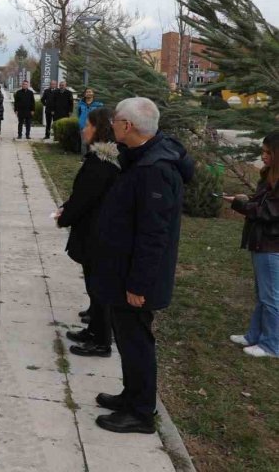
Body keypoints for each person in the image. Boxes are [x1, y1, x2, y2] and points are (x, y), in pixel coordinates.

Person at [91, 97, 193, 434]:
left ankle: (140, 412)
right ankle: (131, 395)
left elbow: (153, 235)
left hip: (136, 279)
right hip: (125, 271)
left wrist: (138, 285)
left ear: (127, 126)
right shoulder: (144, 157)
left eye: (117, 120)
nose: (113, 124)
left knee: (137, 342)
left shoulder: (155, 169)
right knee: (128, 338)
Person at [56, 107, 120, 357]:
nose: (83, 128)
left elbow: (86, 197)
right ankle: (94, 329)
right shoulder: (100, 158)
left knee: (99, 285)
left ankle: (101, 340)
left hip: (98, 231)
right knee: (93, 283)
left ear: (98, 129)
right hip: (95, 228)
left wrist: (66, 215)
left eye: (88, 125)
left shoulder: (102, 162)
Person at [227, 132, 279, 358]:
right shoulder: (269, 177)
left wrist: (240, 205)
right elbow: (261, 202)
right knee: (262, 294)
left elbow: (268, 213)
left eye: (268, 152)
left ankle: (271, 345)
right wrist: (246, 198)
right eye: (263, 151)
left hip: (272, 245)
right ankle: (254, 335)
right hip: (261, 243)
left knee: (271, 298)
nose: (263, 156)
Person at [77, 88, 104, 154]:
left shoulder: (98, 104)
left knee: (93, 142)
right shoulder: (81, 103)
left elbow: (101, 115)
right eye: (87, 92)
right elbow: (78, 114)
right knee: (83, 143)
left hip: (94, 126)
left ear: (93, 94)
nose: (88, 93)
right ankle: (83, 158)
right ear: (85, 94)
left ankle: (92, 159)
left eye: (90, 92)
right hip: (83, 126)